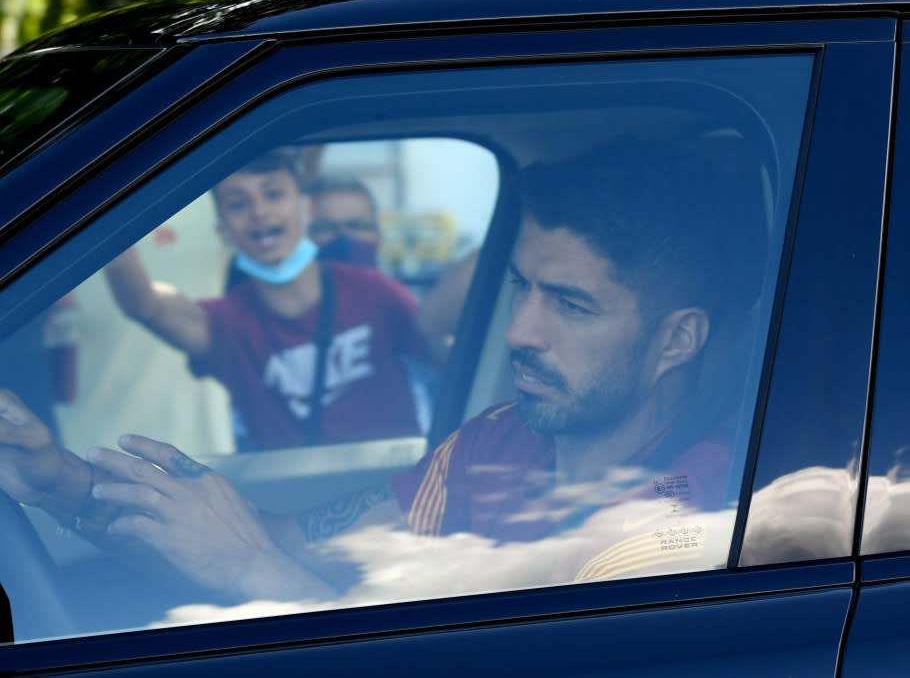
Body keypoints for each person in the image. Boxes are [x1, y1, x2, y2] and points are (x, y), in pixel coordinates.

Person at [0, 137, 768, 603]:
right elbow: (299, 542)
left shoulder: (688, 524)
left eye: (570, 304)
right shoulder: (495, 443)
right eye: (519, 288)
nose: (520, 332)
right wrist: (59, 484)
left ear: (677, 341)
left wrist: (252, 572)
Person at [103, 149, 439, 452]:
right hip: (290, 502)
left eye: (274, 194)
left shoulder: (375, 292)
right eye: (238, 203)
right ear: (223, 231)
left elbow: (445, 355)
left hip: (392, 492)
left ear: (307, 208)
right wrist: (106, 202)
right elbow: (144, 304)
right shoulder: (226, 324)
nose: (259, 211)